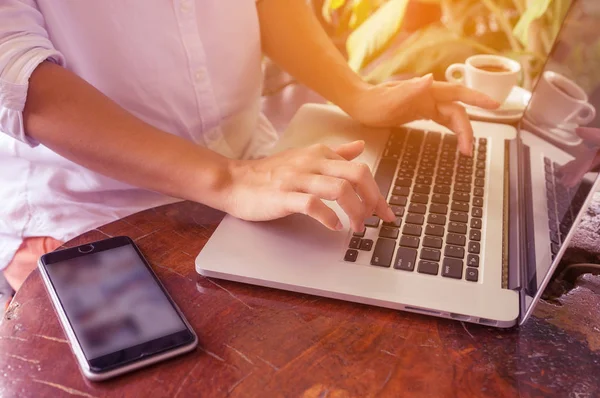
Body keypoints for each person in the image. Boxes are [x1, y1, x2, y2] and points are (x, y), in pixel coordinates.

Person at [0, 0, 497, 292]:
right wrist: (226, 179)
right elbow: (22, 78)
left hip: (253, 167)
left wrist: (356, 95)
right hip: (93, 214)